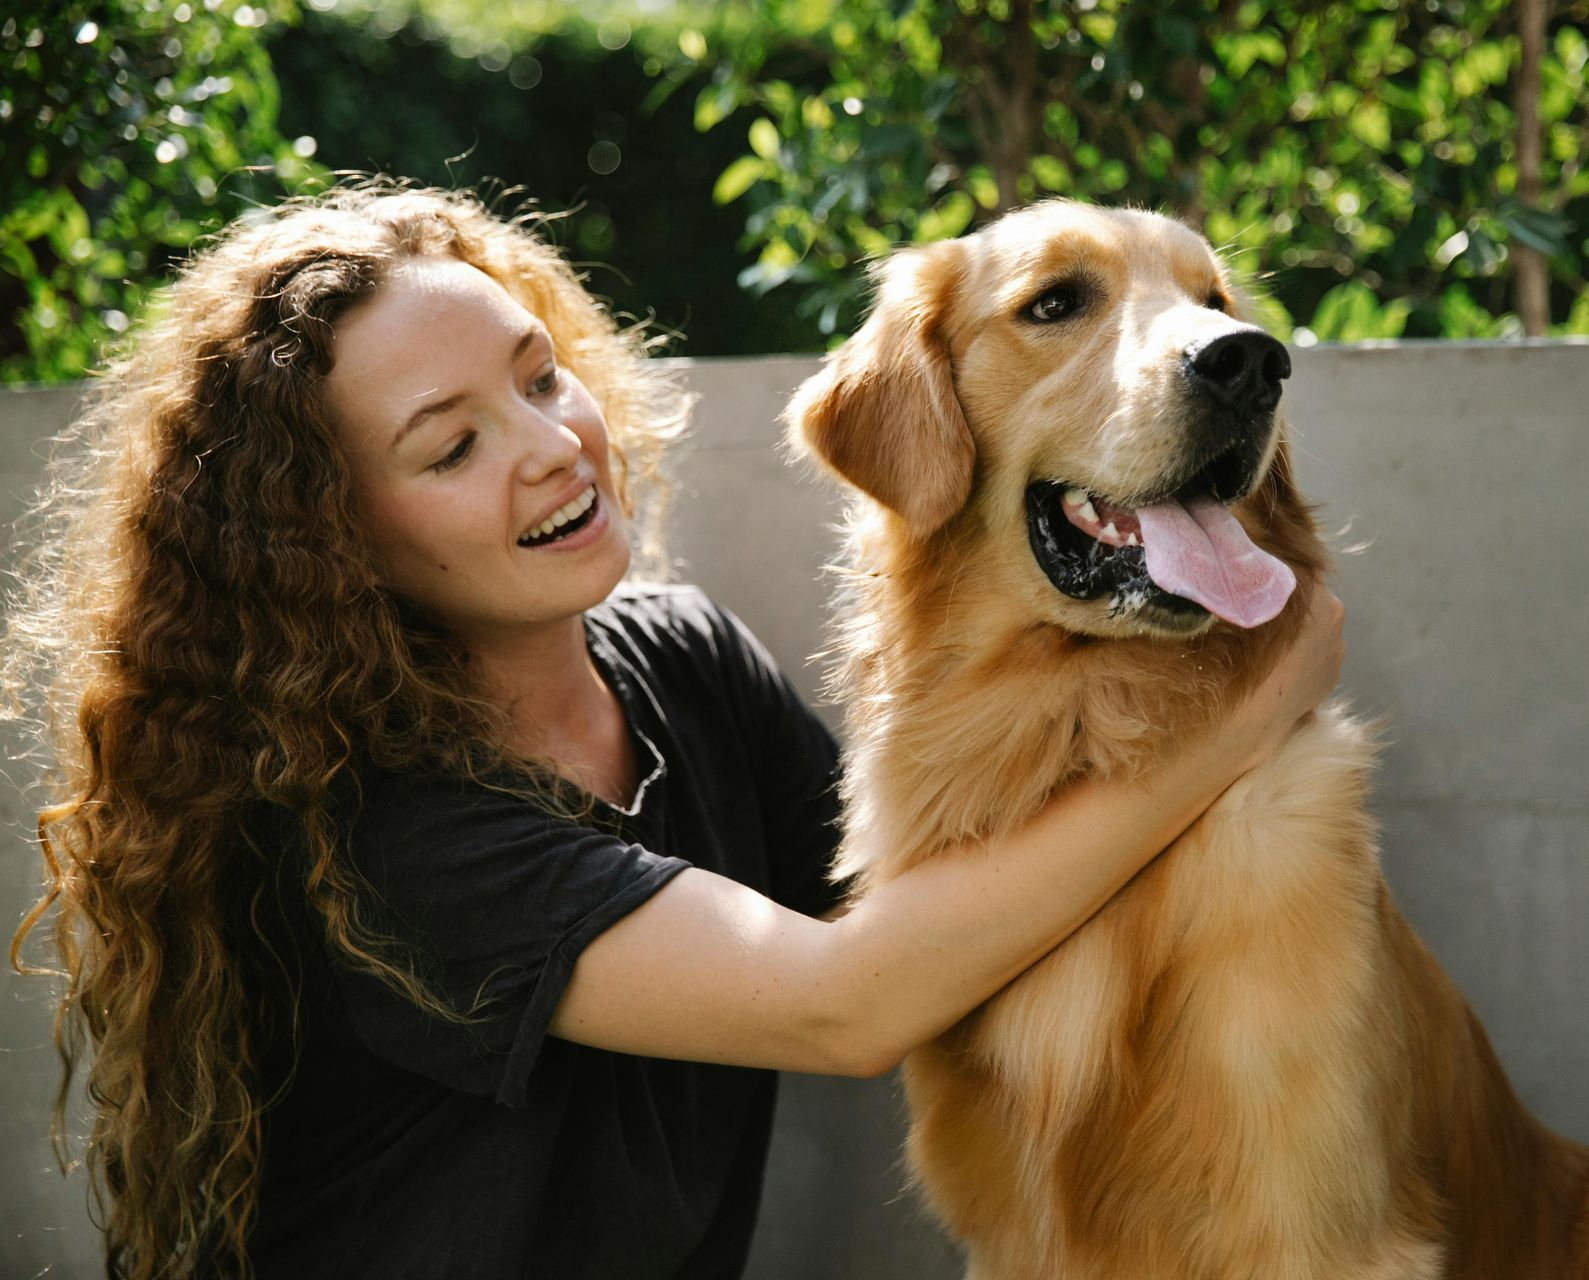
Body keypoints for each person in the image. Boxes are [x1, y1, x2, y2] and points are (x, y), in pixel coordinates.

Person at [4, 182, 1345, 1280]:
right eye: (448, 446)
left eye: (538, 378)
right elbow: (851, 1000)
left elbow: (948, 912)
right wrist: (1245, 716)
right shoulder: (374, 833)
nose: (548, 447)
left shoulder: (684, 660)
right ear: (330, 543)